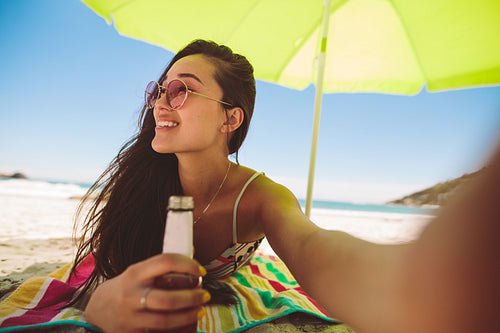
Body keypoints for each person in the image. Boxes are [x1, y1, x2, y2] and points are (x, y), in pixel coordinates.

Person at [74, 39, 500, 333]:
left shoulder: (259, 198)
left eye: (182, 89)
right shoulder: (141, 183)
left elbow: (315, 247)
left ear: (230, 118)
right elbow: (108, 270)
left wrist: (422, 285)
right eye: (158, 90)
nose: (161, 102)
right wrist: (99, 306)